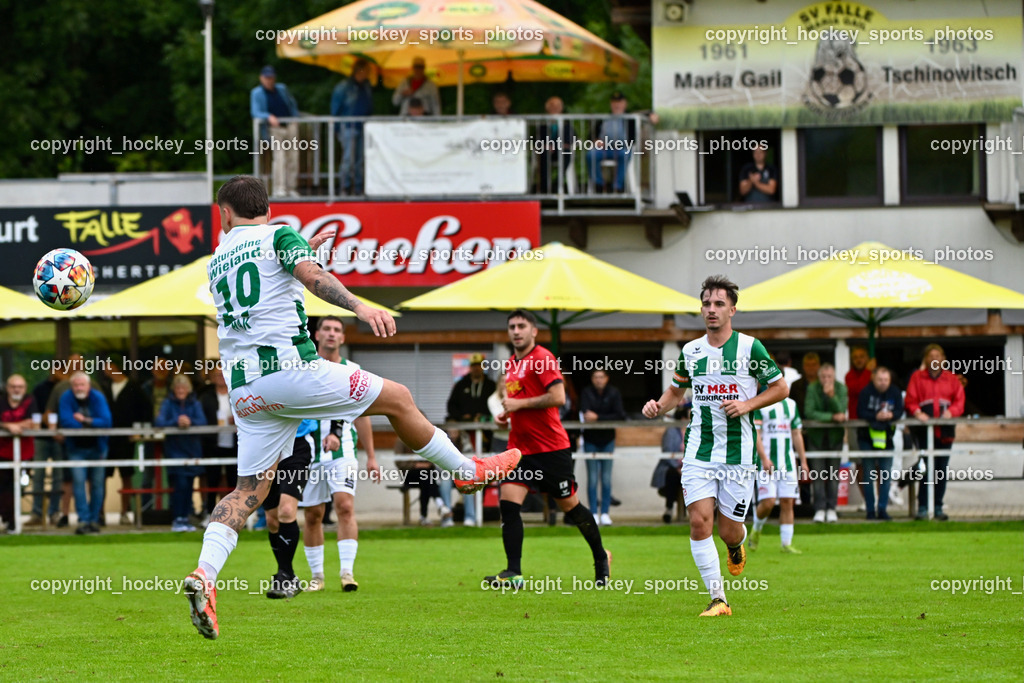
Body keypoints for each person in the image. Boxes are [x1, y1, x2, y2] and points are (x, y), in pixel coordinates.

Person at [184, 175, 520, 639]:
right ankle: (465, 471)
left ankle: (204, 575)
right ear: (268, 208)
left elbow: (264, 278)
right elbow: (312, 277)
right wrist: (359, 307)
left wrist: (302, 248)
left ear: (225, 214)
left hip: (247, 390)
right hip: (292, 372)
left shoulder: (218, 257)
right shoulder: (279, 236)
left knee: (247, 491)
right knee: (399, 399)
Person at [642, 275, 788, 617]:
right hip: (699, 450)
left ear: (732, 310)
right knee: (698, 522)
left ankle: (736, 545)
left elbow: (780, 388)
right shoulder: (691, 351)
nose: (711, 309)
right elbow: (676, 392)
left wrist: (748, 404)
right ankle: (718, 599)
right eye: (706, 303)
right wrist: (658, 407)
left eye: (719, 304)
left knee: (728, 530)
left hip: (739, 452)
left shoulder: (750, 348)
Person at [484, 309, 611, 589]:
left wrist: (518, 404)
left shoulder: (543, 358)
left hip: (551, 448)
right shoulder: (511, 364)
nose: (516, 331)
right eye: (512, 326)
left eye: (521, 326)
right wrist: (507, 415)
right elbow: (520, 401)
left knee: (570, 506)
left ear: (533, 331)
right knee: (508, 504)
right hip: (520, 450)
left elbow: (558, 397)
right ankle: (513, 572)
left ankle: (601, 557)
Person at [300, 316, 379, 592]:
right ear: (317, 334)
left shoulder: (353, 371)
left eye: (337, 330)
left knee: (345, 506)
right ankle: (317, 577)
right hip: (308, 451)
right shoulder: (304, 368)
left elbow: (362, 416)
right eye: (327, 329)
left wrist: (371, 456)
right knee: (313, 514)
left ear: (343, 338)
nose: (331, 334)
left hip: (343, 450)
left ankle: (347, 573)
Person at [905, 344, 964, 521]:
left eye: (937, 356)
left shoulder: (951, 378)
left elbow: (959, 401)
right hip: (923, 431)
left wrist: (951, 412)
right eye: (931, 356)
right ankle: (923, 506)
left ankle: (937, 506)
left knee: (941, 469)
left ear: (943, 359)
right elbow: (910, 400)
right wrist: (917, 413)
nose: (934, 359)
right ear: (925, 359)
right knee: (925, 467)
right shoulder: (917, 377)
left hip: (945, 431)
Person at [750, 395, 808, 553]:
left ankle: (786, 543)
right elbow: (756, 434)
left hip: (787, 463)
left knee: (788, 501)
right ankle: (756, 529)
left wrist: (803, 461)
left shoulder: (791, 404)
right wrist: (764, 458)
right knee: (768, 502)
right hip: (767, 463)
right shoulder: (761, 403)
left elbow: (796, 433)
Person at [59, 372, 112, 534]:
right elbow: (66, 421)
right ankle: (83, 520)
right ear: (71, 386)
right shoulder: (66, 398)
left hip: (98, 447)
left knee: (97, 484)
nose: (79, 388)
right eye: (76, 385)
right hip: (76, 449)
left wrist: (85, 420)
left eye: (82, 384)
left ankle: (94, 520)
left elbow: (106, 421)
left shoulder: (98, 397)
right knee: (78, 482)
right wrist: (91, 424)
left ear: (88, 386)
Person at [101, 358, 152, 526]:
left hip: (126, 439)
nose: (105, 370)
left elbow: (146, 410)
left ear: (116, 367)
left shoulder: (134, 387)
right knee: (102, 476)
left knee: (126, 475)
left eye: (108, 366)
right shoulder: (104, 387)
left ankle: (125, 512)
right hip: (107, 438)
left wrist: (138, 431)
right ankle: (99, 512)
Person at [155, 375, 207, 532]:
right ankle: (178, 518)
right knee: (180, 484)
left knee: (189, 485)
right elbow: (159, 422)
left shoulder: (195, 404)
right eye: (178, 388)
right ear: (174, 389)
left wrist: (190, 422)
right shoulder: (167, 403)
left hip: (192, 450)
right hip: (174, 450)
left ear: (188, 389)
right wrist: (176, 422)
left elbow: (203, 422)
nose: (180, 390)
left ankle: (185, 517)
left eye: (183, 388)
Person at [585, 92, 657, 194]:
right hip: (604, 149)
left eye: (619, 102)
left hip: (622, 149)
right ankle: (598, 185)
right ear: (611, 104)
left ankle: (618, 187)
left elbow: (643, 113)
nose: (617, 105)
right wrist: (597, 141)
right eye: (614, 102)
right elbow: (591, 137)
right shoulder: (603, 119)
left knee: (625, 154)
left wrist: (651, 114)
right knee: (591, 155)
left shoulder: (630, 118)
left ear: (624, 104)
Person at [856, 366, 903, 521]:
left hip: (887, 439)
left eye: (886, 380)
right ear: (873, 379)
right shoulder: (865, 392)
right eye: (880, 379)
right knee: (868, 475)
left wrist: (891, 415)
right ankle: (870, 510)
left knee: (885, 475)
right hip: (866, 438)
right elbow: (860, 412)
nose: (883, 382)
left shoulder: (895, 392)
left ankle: (882, 509)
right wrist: (875, 416)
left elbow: (900, 411)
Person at [580, 369, 625, 525]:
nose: (598, 380)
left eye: (601, 377)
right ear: (592, 379)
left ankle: (605, 512)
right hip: (590, 439)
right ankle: (593, 512)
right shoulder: (586, 392)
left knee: (606, 478)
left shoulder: (614, 393)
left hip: (607, 440)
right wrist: (600, 416)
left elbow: (620, 415)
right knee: (592, 478)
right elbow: (586, 414)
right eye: (595, 377)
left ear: (606, 378)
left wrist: (598, 417)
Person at [803, 363, 847, 523]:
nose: (826, 380)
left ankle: (831, 508)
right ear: (819, 377)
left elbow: (841, 411)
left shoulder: (841, 388)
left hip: (835, 438)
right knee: (818, 474)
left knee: (833, 475)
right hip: (816, 438)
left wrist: (832, 396)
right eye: (823, 377)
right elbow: (809, 412)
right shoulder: (812, 388)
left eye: (829, 376)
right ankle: (820, 509)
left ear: (834, 377)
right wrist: (831, 417)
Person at [250, 65, 301, 198]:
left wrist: (295, 118)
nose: (269, 80)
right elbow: (255, 112)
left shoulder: (282, 89)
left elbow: (292, 104)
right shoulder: (257, 93)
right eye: (267, 78)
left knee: (293, 157)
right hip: (274, 129)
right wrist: (268, 116)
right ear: (261, 78)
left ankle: (291, 187)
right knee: (280, 158)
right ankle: (280, 188)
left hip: (289, 126)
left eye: (271, 78)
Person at [199, 366, 236, 523]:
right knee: (212, 480)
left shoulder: (236, 393)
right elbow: (201, 418)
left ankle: (233, 513)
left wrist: (237, 419)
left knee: (233, 480)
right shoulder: (205, 397)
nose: (220, 377)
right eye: (216, 374)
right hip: (212, 443)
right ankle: (209, 513)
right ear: (212, 377)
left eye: (222, 374)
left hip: (234, 443)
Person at [331, 58, 374, 196]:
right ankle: (345, 187)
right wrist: (337, 129)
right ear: (359, 71)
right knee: (348, 158)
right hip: (348, 127)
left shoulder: (366, 86)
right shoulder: (343, 87)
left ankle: (358, 187)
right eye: (366, 71)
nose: (368, 73)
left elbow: (369, 107)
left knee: (360, 159)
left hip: (362, 127)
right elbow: (335, 110)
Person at [28, 367, 63, 528]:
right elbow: (35, 414)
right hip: (41, 438)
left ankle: (54, 512)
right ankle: (36, 513)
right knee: (38, 476)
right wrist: (45, 420)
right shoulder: (39, 389)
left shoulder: (65, 388)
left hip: (59, 439)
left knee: (58, 477)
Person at [1, 374, 36, 532]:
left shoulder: (30, 401)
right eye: (13, 386)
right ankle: (9, 519)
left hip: (25, 453)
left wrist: (13, 425)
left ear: (25, 388)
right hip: (2, 452)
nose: (17, 390)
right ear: (7, 388)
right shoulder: (1, 401)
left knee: (18, 487)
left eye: (20, 387)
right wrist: (8, 426)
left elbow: (33, 422)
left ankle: (12, 520)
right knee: (4, 487)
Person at [446, 353, 496, 453]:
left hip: (486, 428)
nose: (476, 368)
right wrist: (461, 416)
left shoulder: (491, 385)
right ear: (470, 367)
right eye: (474, 365)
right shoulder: (461, 385)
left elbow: (496, 405)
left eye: (479, 365)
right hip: (464, 427)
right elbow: (451, 405)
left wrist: (484, 416)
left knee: (487, 453)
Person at [652, 402, 689, 524]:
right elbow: (667, 452)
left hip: (691, 467)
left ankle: (712, 510)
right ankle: (669, 509)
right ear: (682, 417)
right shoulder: (671, 431)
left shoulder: (695, 431)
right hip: (672, 467)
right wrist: (678, 467)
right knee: (673, 475)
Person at [535, 96, 575, 194]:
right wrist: (544, 145)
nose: (555, 108)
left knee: (566, 153)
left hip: (561, 150)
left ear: (561, 108)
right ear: (547, 108)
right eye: (552, 106)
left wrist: (561, 145)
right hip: (546, 150)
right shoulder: (542, 123)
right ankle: (545, 188)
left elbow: (573, 137)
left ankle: (557, 184)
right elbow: (536, 139)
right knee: (543, 153)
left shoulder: (566, 123)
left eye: (558, 106)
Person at [844, 346, 874, 418]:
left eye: (862, 356)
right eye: (855, 357)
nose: (858, 360)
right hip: (856, 416)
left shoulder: (874, 374)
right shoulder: (849, 375)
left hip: (873, 415)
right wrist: (867, 371)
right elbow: (859, 390)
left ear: (867, 358)